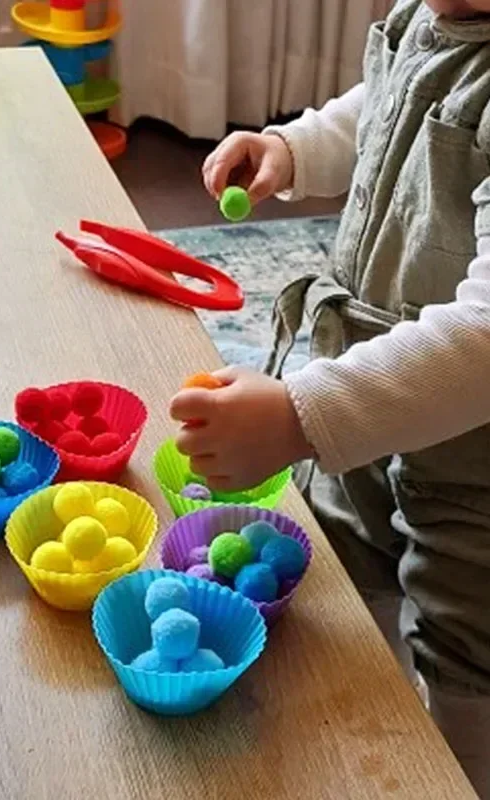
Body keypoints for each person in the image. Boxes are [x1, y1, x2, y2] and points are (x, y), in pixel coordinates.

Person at [171, 1, 490, 795]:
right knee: (347, 572)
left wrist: (299, 415)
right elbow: (386, 108)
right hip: (363, 382)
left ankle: (456, 771)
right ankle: (363, 728)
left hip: (474, 467)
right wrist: (293, 146)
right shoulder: (427, 13)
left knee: (464, 647)